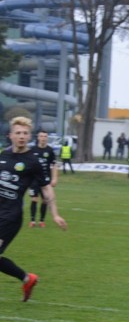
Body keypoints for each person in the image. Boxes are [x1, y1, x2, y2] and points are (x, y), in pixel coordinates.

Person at [1, 117, 68, 301]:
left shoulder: (33, 161)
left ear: (29, 136)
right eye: (18, 133)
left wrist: (54, 214)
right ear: (11, 135)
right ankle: (27, 278)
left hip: (10, 216)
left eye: (25, 133)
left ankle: (27, 278)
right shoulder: (3, 156)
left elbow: (46, 189)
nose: (22, 136)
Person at [28, 129, 58, 228]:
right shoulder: (32, 150)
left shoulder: (49, 150)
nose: (43, 138)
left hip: (45, 180)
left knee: (45, 200)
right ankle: (32, 220)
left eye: (45, 136)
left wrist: (54, 178)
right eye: (41, 136)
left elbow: (54, 165)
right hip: (34, 180)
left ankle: (41, 221)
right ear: (38, 137)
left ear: (47, 138)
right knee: (34, 199)